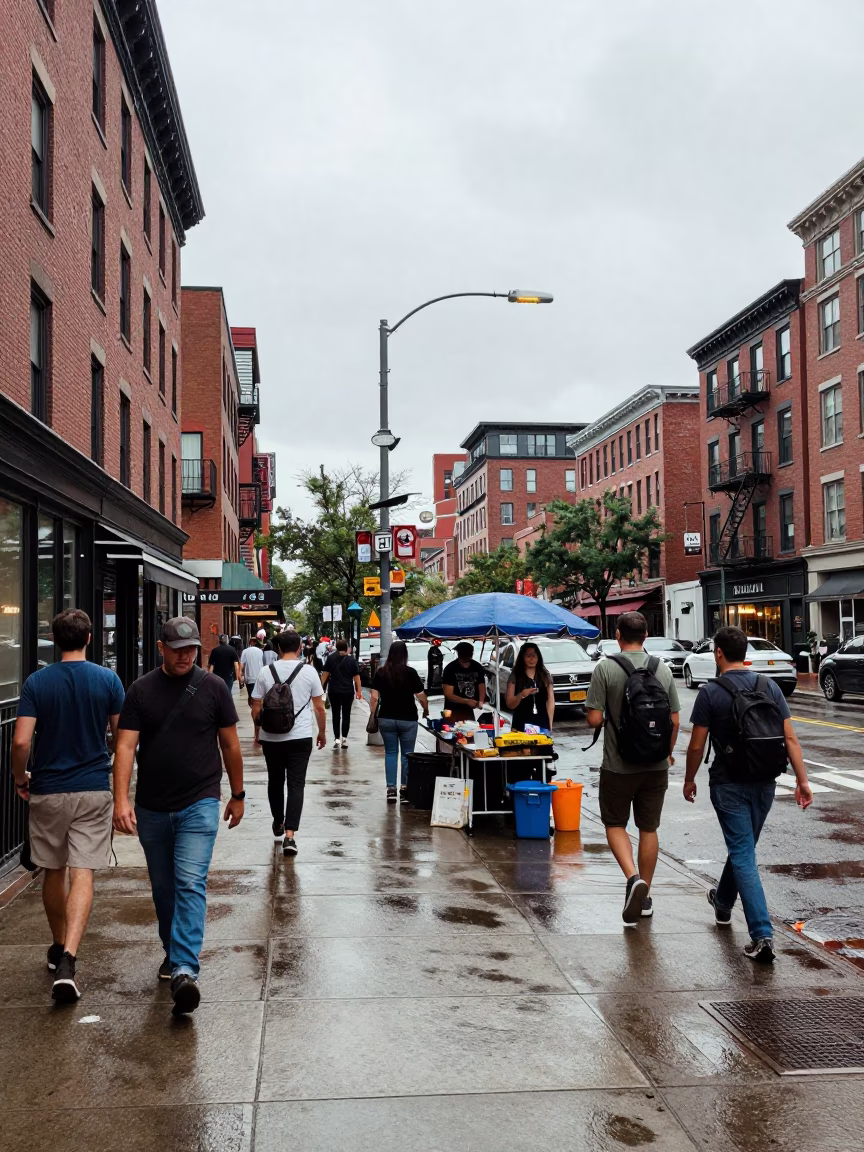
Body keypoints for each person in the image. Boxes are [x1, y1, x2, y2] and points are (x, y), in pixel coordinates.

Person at [113, 617, 245, 1015]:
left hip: (200, 801)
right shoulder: (140, 691)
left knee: (190, 881)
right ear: (161, 648)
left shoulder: (214, 687)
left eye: (191, 649)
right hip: (152, 806)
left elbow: (231, 746)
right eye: (177, 649)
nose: (185, 655)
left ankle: (186, 968)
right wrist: (121, 800)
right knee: (164, 888)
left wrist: (238, 794)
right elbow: (124, 748)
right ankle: (174, 953)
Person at [11, 609, 124, 1003]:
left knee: (52, 870)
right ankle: (69, 960)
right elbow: (120, 736)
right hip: (93, 788)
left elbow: (22, 742)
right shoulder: (108, 679)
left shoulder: (37, 683)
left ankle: (58, 945)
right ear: (90, 638)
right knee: (84, 873)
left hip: (48, 788)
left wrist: (20, 777)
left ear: (55, 640)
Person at [684, 626, 812, 964]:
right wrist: (802, 780)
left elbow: (697, 745)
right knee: (743, 849)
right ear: (746, 653)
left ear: (719, 654)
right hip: (766, 782)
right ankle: (723, 903)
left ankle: (762, 935)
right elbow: (790, 739)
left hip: (728, 784)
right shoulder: (768, 685)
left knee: (743, 854)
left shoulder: (711, 692)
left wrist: (688, 779)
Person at [585, 612, 680, 924]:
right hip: (656, 764)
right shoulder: (661, 669)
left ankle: (632, 878)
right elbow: (675, 720)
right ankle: (646, 896)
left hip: (618, 764)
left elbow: (594, 719)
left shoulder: (606, 668)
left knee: (615, 824)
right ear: (647, 634)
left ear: (618, 635)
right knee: (648, 828)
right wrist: (666, 754)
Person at [251, 630, 326, 856]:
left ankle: (278, 820)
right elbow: (319, 707)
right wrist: (321, 732)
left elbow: (256, 707)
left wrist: (258, 731)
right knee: (296, 784)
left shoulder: (266, 672)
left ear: (279, 649)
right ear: (300, 648)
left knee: (275, 781)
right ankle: (290, 836)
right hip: (301, 737)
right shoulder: (309, 671)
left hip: (271, 737)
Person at [370, 640, 429, 803]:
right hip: (408, 719)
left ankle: (391, 789)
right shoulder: (410, 672)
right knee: (406, 754)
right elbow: (421, 696)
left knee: (390, 753)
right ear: (405, 655)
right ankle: (404, 788)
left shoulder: (381, 672)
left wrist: (373, 714)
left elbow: (374, 697)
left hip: (386, 718)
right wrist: (426, 709)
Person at [321, 639, 362, 749]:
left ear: (337, 647)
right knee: (346, 715)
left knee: (335, 714)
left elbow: (325, 675)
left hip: (334, 691)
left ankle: (337, 739)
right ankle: (344, 739)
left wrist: (320, 687)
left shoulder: (330, 658)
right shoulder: (351, 660)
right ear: (346, 647)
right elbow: (356, 677)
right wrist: (359, 690)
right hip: (348, 691)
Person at [506, 642, 555, 732]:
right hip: (520, 725)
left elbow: (550, 702)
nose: (531, 659)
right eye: (528, 656)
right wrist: (521, 695)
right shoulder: (515, 676)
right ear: (522, 658)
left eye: (534, 655)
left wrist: (550, 725)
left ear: (538, 657)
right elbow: (509, 704)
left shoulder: (545, 675)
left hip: (541, 724)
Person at [442, 642, 486, 723]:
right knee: (451, 733)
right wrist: (467, 701)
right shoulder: (450, 668)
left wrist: (481, 701)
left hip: (470, 710)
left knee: (470, 731)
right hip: (452, 709)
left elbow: (481, 686)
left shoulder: (477, 667)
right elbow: (448, 694)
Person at [240, 639, 264, 704]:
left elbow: (241, 665)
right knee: (258, 698)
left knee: (251, 697)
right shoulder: (260, 651)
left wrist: (240, 677)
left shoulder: (245, 651)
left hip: (249, 678)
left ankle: (253, 710)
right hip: (259, 677)